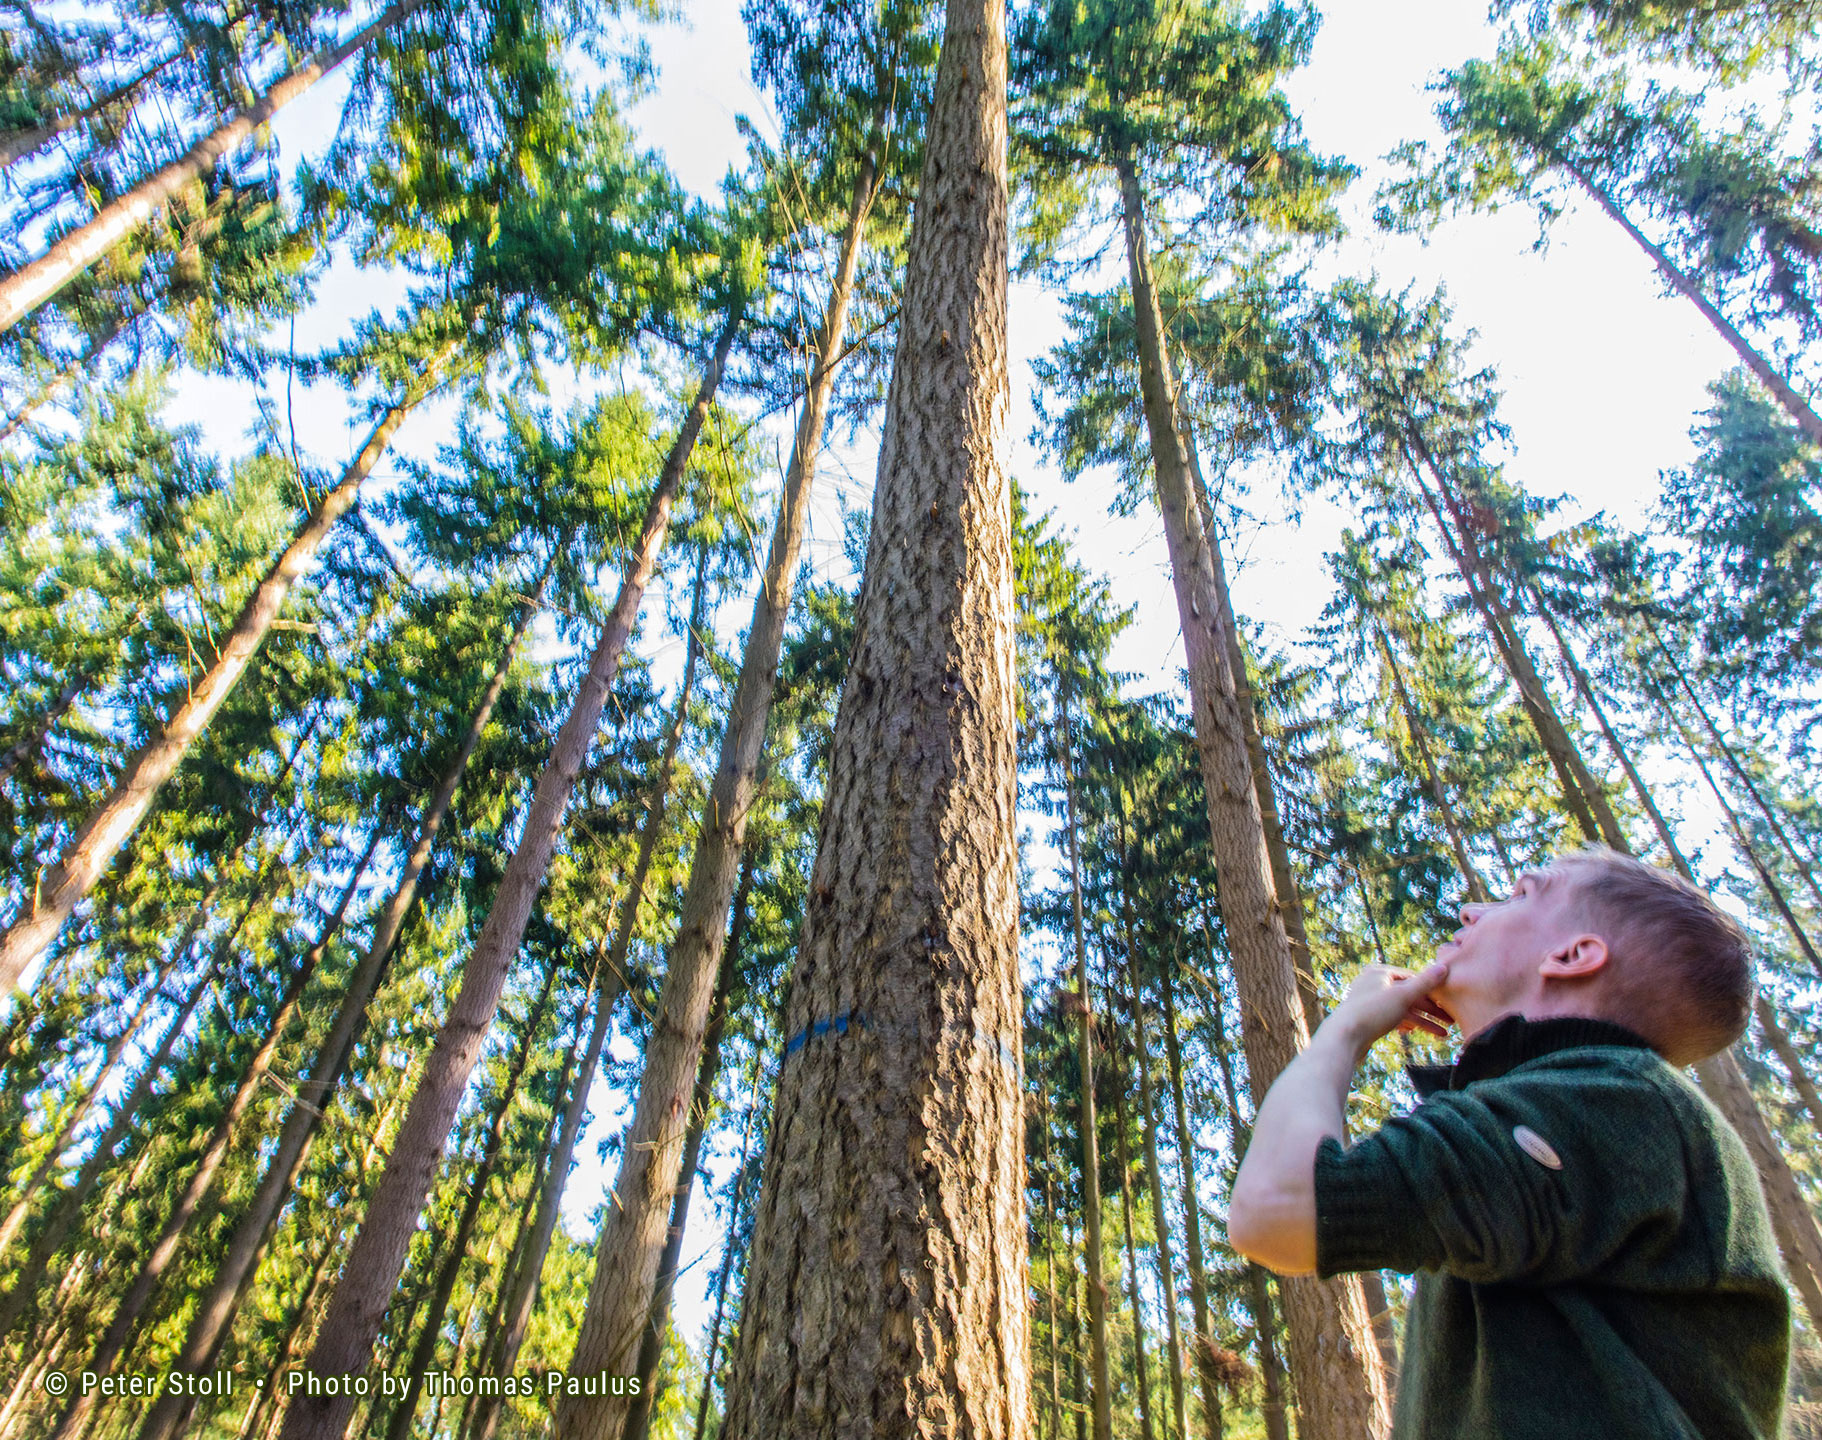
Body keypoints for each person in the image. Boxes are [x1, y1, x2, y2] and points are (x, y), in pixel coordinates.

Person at [1227, 847, 1791, 1439]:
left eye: (1520, 894)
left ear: (1571, 956)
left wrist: (1346, 1029)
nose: (1471, 910)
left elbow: (1278, 1208)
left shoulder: (1606, 1101)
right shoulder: (1585, 1107)